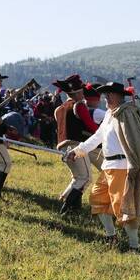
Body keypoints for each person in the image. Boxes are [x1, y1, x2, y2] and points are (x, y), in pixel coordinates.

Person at [71, 82, 140, 250]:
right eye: (105, 94)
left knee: (123, 207)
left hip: (122, 167)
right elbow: (98, 137)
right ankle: (111, 236)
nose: (106, 97)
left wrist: (133, 167)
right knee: (97, 198)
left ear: (120, 96)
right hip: (108, 166)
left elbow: (135, 140)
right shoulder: (109, 115)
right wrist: (77, 151)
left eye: (110, 94)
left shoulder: (127, 114)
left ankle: (135, 246)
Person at [53, 74, 100, 215]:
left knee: (77, 178)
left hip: (63, 147)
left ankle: (66, 202)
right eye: (82, 91)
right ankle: (66, 210)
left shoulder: (59, 109)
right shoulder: (78, 106)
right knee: (85, 178)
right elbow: (92, 127)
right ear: (78, 92)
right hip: (75, 145)